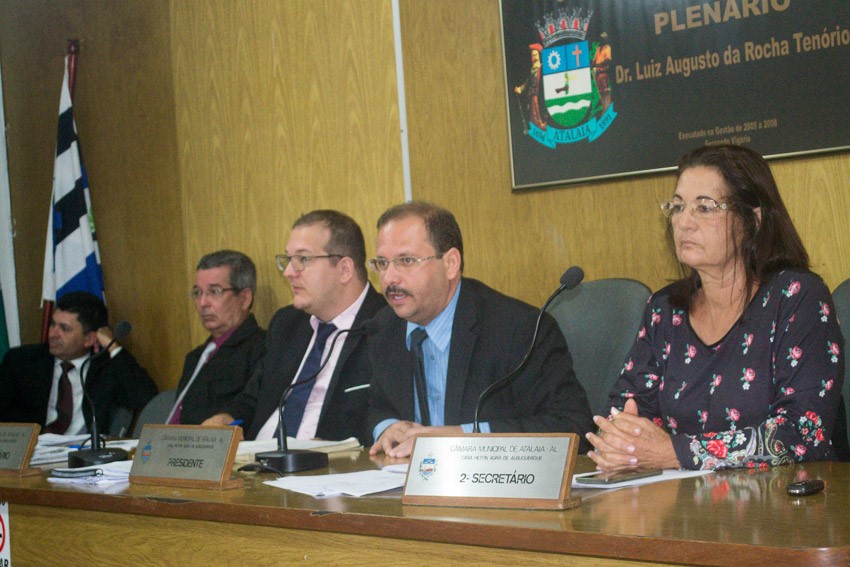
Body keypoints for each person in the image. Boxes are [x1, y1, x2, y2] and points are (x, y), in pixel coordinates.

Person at [589, 144, 846, 471]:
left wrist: (677, 453)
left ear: (752, 220)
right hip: (679, 497)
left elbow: (802, 433)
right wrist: (620, 439)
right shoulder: (665, 309)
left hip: (785, 496)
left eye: (705, 207)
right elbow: (622, 412)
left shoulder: (797, 297)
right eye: (678, 207)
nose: (684, 222)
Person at [367, 201, 593, 458]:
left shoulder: (519, 329)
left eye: (406, 261)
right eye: (382, 263)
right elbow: (376, 405)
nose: (389, 278)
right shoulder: (383, 328)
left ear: (450, 263)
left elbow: (572, 426)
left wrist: (466, 438)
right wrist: (387, 427)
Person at [202, 211, 386, 445]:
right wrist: (226, 417)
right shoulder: (287, 323)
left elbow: (389, 416)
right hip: (259, 458)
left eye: (303, 259)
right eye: (288, 259)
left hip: (329, 462)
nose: (289, 272)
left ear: (344, 269)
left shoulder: (385, 326)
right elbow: (253, 398)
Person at [0, 291, 157, 434]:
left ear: (90, 338)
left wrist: (113, 346)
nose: (53, 334)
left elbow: (144, 398)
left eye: (65, 329)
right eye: (53, 324)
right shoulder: (21, 362)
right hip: (31, 450)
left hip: (83, 451)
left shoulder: (106, 366)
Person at [167, 250, 266, 425]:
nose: (203, 303)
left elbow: (251, 411)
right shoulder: (195, 357)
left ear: (244, 298)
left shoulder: (263, 348)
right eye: (197, 293)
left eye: (214, 291)